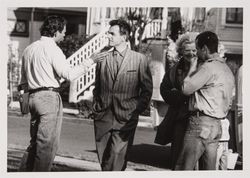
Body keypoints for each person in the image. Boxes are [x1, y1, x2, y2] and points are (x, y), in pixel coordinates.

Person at [18, 15, 93, 171]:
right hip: (48, 98)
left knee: (35, 143)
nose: (64, 34)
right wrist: (90, 61)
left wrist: (24, 101)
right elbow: (70, 74)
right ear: (55, 31)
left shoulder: (29, 49)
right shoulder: (52, 49)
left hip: (32, 97)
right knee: (46, 146)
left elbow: (23, 81)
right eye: (63, 31)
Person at [92, 19, 153, 171]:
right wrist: (96, 106)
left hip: (126, 116)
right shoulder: (103, 58)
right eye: (109, 33)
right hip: (103, 116)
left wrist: (136, 110)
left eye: (112, 34)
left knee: (116, 155)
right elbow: (97, 86)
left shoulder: (139, 59)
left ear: (124, 36)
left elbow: (147, 90)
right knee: (105, 160)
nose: (109, 36)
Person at [175, 31, 235, 170]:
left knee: (184, 166)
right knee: (208, 169)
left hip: (200, 124)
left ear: (205, 49)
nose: (196, 53)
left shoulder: (208, 67)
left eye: (197, 49)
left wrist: (192, 68)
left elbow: (186, 88)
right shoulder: (226, 69)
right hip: (216, 125)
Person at [156, 33, 197, 170]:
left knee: (194, 157)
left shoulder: (204, 68)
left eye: (194, 50)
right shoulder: (175, 70)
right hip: (179, 117)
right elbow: (164, 89)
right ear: (181, 52)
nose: (191, 54)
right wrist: (180, 97)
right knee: (177, 156)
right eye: (187, 51)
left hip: (197, 118)